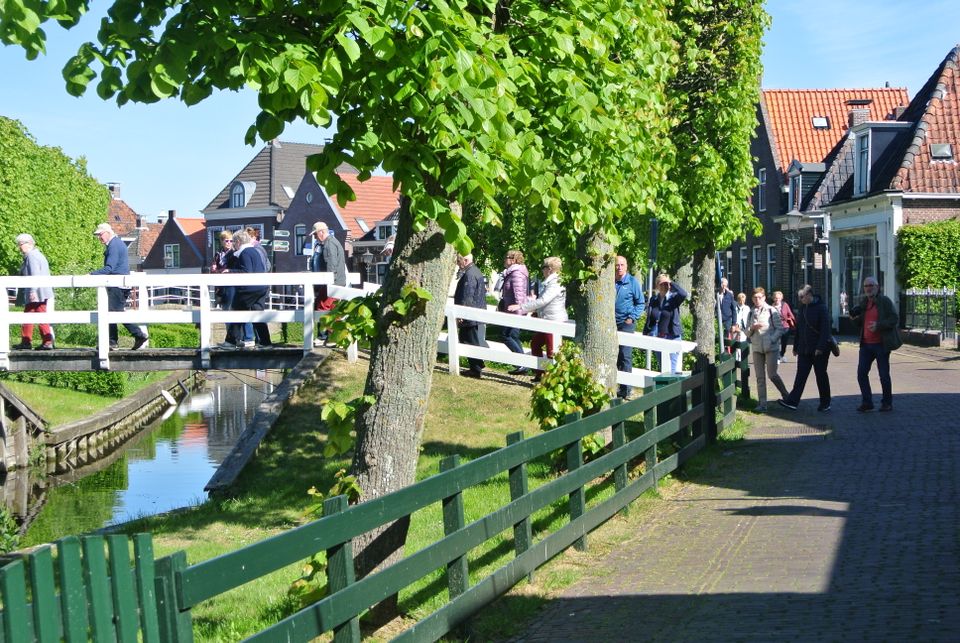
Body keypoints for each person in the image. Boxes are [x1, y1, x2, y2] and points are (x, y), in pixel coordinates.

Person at [91, 223, 149, 350]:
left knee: (113, 312)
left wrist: (91, 275)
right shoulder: (116, 244)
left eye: (100, 234)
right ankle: (116, 341)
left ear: (108, 232)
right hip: (120, 284)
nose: (99, 238)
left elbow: (109, 268)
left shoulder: (114, 246)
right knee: (113, 311)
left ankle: (130, 337)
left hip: (117, 285)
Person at [509, 256, 566, 382]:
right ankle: (541, 373)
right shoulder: (550, 282)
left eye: (543, 267)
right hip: (546, 320)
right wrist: (536, 311)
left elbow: (543, 300)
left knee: (553, 351)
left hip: (553, 322)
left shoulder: (556, 282)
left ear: (550, 269)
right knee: (535, 344)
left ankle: (554, 379)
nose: (542, 270)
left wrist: (521, 307)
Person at [850, 276, 901, 412]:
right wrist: (854, 319)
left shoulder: (884, 301)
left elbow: (894, 319)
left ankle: (887, 403)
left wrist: (878, 325)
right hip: (866, 345)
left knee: (883, 375)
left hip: (881, 344)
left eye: (871, 285)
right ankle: (867, 402)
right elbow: (860, 322)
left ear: (877, 287)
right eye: (866, 286)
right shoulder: (864, 303)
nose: (868, 288)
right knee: (861, 374)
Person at [779, 285, 832, 412]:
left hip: (819, 350)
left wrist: (820, 347)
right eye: (799, 297)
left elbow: (826, 330)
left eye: (802, 297)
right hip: (804, 349)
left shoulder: (821, 308)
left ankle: (825, 403)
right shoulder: (803, 308)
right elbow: (799, 329)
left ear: (809, 295)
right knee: (800, 376)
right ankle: (793, 401)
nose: (800, 299)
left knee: (821, 376)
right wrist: (796, 346)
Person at [744, 287, 788, 412]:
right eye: (755, 298)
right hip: (757, 348)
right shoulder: (751, 312)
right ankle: (762, 404)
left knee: (772, 374)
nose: (757, 300)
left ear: (764, 298)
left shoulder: (771, 310)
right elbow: (746, 332)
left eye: (759, 297)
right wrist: (752, 328)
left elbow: (780, 329)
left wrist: (772, 339)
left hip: (771, 348)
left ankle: (786, 395)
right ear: (752, 299)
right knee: (760, 377)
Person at [231, 229, 271, 348]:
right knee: (258, 313)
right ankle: (265, 341)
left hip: (250, 289)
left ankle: (231, 341)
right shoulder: (254, 251)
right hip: (261, 288)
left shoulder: (245, 252)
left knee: (238, 310)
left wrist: (230, 271)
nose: (233, 245)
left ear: (238, 242)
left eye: (234, 242)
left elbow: (246, 271)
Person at [14, 233, 55, 350]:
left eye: (20, 244)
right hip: (40, 291)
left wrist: (32, 291)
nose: (19, 247)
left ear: (28, 244)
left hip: (37, 292)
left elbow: (35, 274)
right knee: (32, 315)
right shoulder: (37, 255)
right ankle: (29, 341)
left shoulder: (31, 256)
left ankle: (44, 342)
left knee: (35, 316)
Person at [309, 222, 347, 344]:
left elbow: (331, 266)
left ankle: (328, 336)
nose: (315, 237)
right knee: (333, 309)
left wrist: (328, 283)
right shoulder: (333, 242)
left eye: (315, 234)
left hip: (332, 283)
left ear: (321, 232)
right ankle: (331, 336)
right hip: (337, 282)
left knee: (322, 307)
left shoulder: (328, 244)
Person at [614, 255, 646, 398]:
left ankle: (627, 390)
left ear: (626, 266)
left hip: (625, 324)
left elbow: (641, 303)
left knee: (625, 355)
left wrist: (631, 318)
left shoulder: (632, 282)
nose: (619, 268)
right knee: (614, 355)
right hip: (611, 323)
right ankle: (617, 386)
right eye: (617, 265)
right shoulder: (610, 281)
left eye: (622, 265)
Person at [643, 273, 687, 373]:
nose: (665, 286)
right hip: (658, 337)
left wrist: (670, 282)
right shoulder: (653, 300)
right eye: (662, 284)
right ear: (657, 285)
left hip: (672, 336)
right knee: (662, 367)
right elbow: (650, 318)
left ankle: (671, 388)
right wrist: (645, 333)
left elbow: (684, 294)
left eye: (666, 284)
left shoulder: (674, 298)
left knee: (672, 368)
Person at [453, 254, 488, 378]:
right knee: (469, 339)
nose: (458, 263)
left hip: (470, 313)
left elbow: (467, 295)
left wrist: (462, 313)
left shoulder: (469, 274)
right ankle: (477, 365)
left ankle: (476, 368)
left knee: (468, 340)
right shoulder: (475, 271)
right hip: (474, 312)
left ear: (466, 260)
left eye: (459, 261)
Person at [496, 249, 530, 374]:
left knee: (506, 335)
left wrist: (518, 307)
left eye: (506, 257)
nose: (504, 259)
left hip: (515, 312)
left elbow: (519, 294)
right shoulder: (512, 272)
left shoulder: (516, 273)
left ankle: (523, 364)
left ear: (513, 260)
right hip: (511, 310)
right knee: (513, 336)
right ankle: (522, 365)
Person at [772, 290, 796, 362]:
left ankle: (782, 354)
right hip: (775, 327)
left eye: (778, 298)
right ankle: (777, 357)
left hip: (785, 326)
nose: (777, 299)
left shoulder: (785, 305)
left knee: (784, 342)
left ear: (781, 298)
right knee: (776, 342)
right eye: (776, 298)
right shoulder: (771, 307)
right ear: (773, 298)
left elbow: (790, 314)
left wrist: (793, 321)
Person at [718, 277, 736, 350]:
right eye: (722, 285)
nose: (723, 287)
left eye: (725, 285)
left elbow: (734, 309)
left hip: (727, 320)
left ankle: (726, 354)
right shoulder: (715, 294)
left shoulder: (729, 295)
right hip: (716, 320)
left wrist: (734, 324)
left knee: (726, 340)